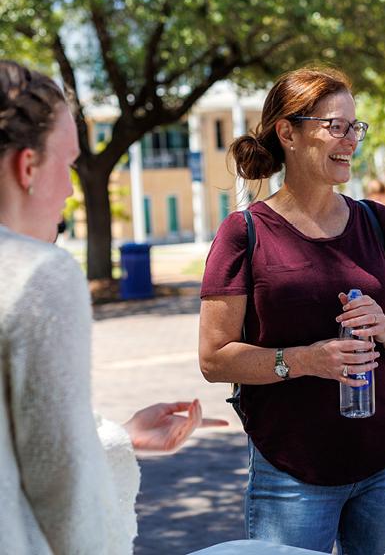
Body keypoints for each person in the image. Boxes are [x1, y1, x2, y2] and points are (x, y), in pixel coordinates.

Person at [198, 66, 385, 554]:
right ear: (288, 132)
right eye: (335, 126)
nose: (350, 140)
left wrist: (384, 325)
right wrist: (305, 359)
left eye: (355, 127)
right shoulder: (244, 232)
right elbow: (214, 359)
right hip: (292, 471)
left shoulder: (378, 221)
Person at [0, 60, 225, 554]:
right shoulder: (36, 274)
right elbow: (66, 497)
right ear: (28, 167)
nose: (69, 191)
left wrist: (121, 437)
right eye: (66, 166)